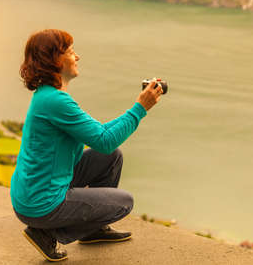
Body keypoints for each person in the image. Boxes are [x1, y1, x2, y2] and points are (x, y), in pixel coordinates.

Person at [10, 29, 163, 262]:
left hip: (33, 192)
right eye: (71, 52)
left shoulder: (48, 96)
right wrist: (140, 108)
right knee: (124, 202)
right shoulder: (55, 101)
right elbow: (104, 139)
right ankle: (46, 233)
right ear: (55, 59)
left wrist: (138, 108)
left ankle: (93, 230)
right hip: (42, 203)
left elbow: (100, 137)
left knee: (111, 156)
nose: (77, 56)